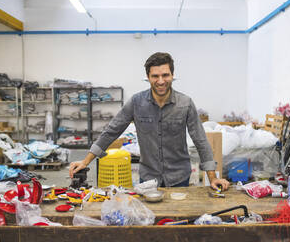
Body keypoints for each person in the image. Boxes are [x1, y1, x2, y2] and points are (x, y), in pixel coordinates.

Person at [69, 52, 230, 190]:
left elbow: (201, 140)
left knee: (177, 221)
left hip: (179, 177)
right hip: (148, 178)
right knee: (150, 222)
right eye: (155, 76)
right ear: (148, 77)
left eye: (165, 75)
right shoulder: (136, 102)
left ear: (172, 75)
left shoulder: (185, 103)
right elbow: (112, 131)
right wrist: (86, 161)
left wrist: (213, 177)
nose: (161, 81)